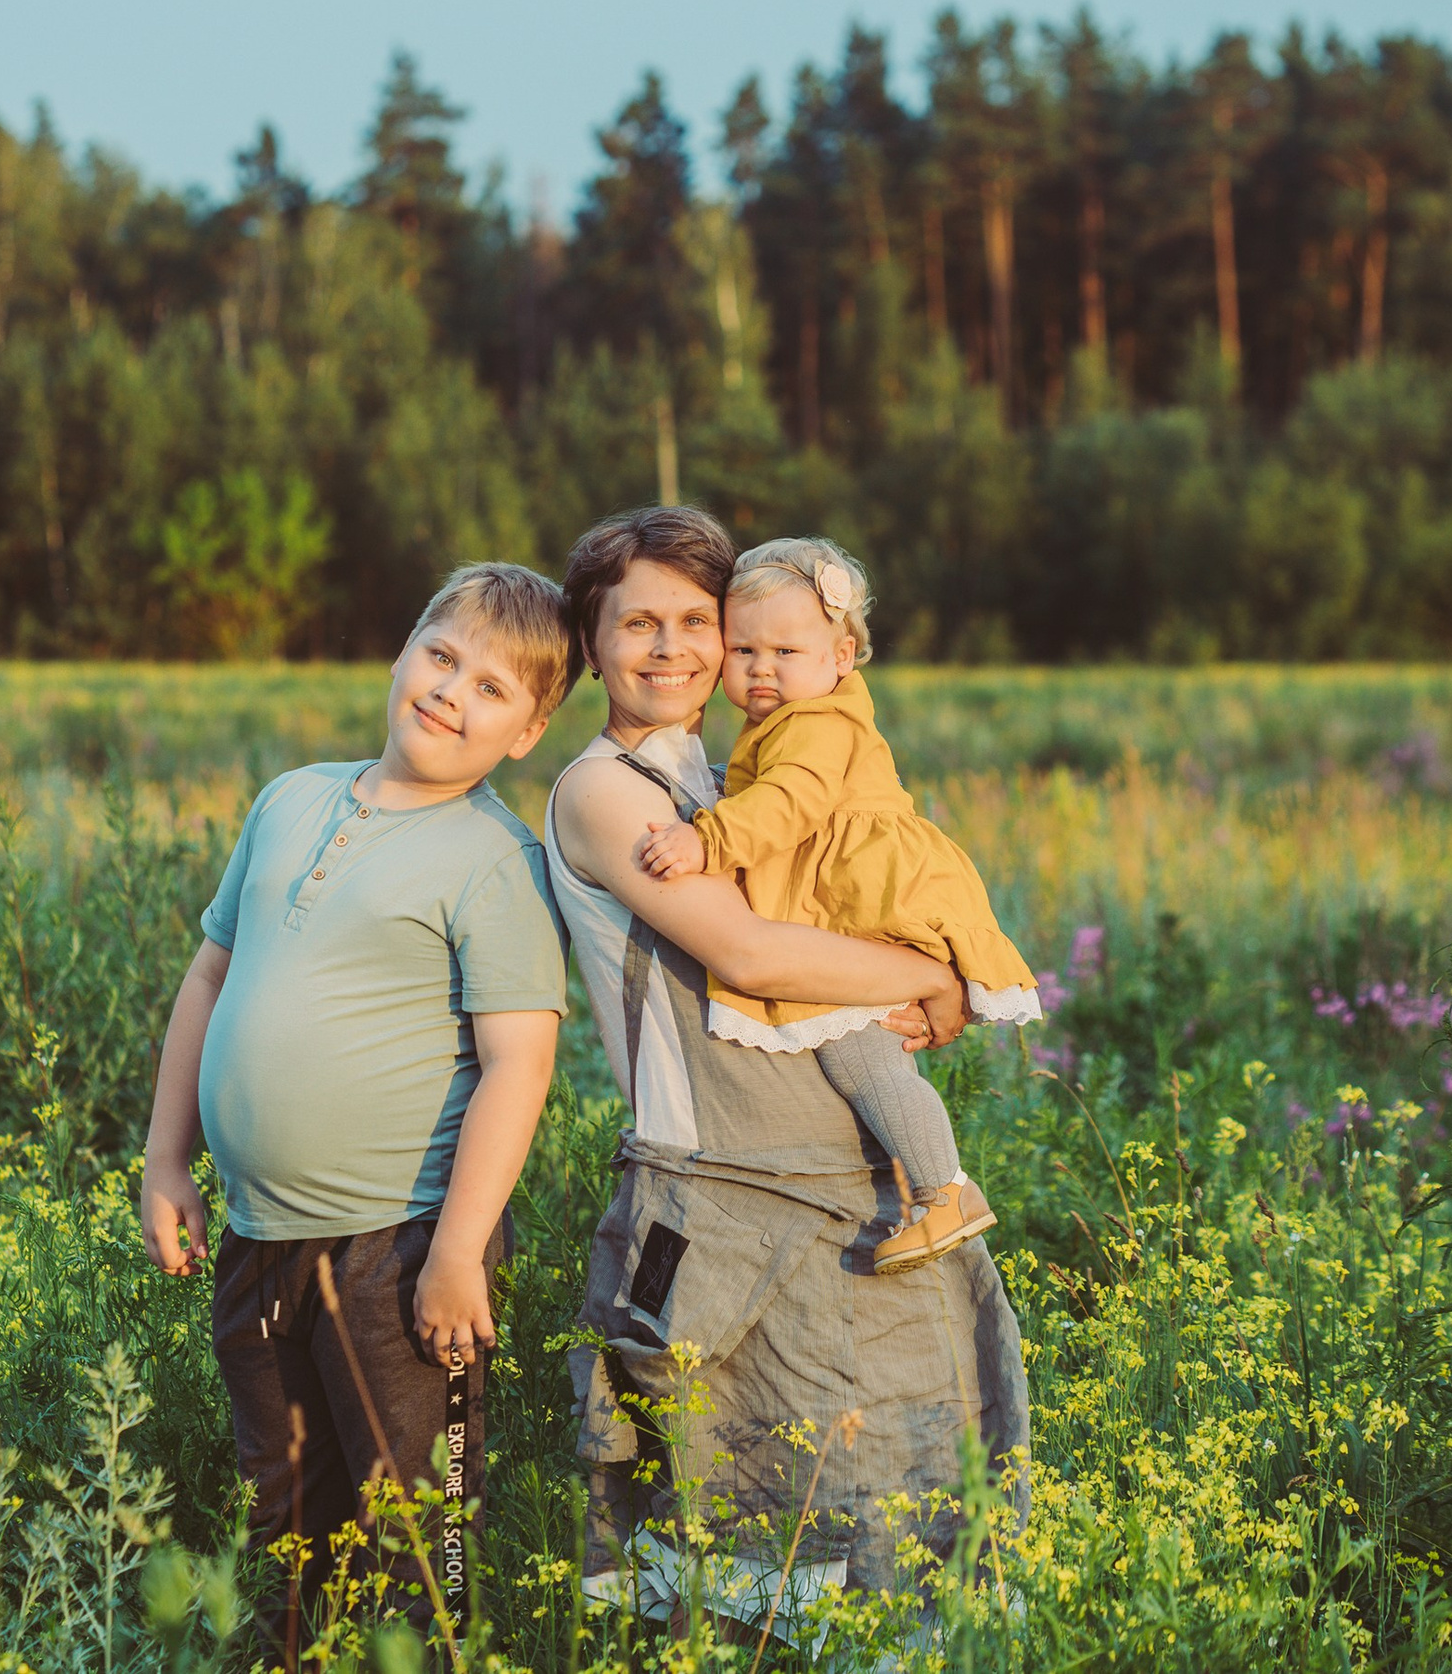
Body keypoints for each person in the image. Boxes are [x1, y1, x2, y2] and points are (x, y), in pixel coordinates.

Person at [545, 505, 1030, 1625]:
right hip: (722, 1205)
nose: (672, 649)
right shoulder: (607, 790)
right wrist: (924, 977)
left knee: (899, 1525)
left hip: (844, 1198)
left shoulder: (726, 780)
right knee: (742, 1536)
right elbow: (749, 950)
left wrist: (933, 968)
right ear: (591, 641)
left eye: (697, 623)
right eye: (637, 625)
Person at [138, 562, 575, 1645]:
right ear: (400, 652)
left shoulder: (492, 863)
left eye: (490, 688)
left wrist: (460, 1251)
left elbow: (518, 1067)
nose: (449, 692)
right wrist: (164, 1162)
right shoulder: (292, 798)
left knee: (412, 1531)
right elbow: (208, 977)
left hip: (401, 1249)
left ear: (525, 734)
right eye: (441, 657)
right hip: (257, 1237)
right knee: (282, 1513)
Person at [635, 536, 1043, 1273]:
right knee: (867, 1049)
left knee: (864, 1057)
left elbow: (791, 801)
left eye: (786, 651)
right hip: (853, 895)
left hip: (871, 899)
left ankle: (943, 1190)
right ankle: (931, 1186)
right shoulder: (795, 715)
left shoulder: (818, 722)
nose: (763, 668)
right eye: (744, 650)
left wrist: (710, 838)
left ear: (842, 654)